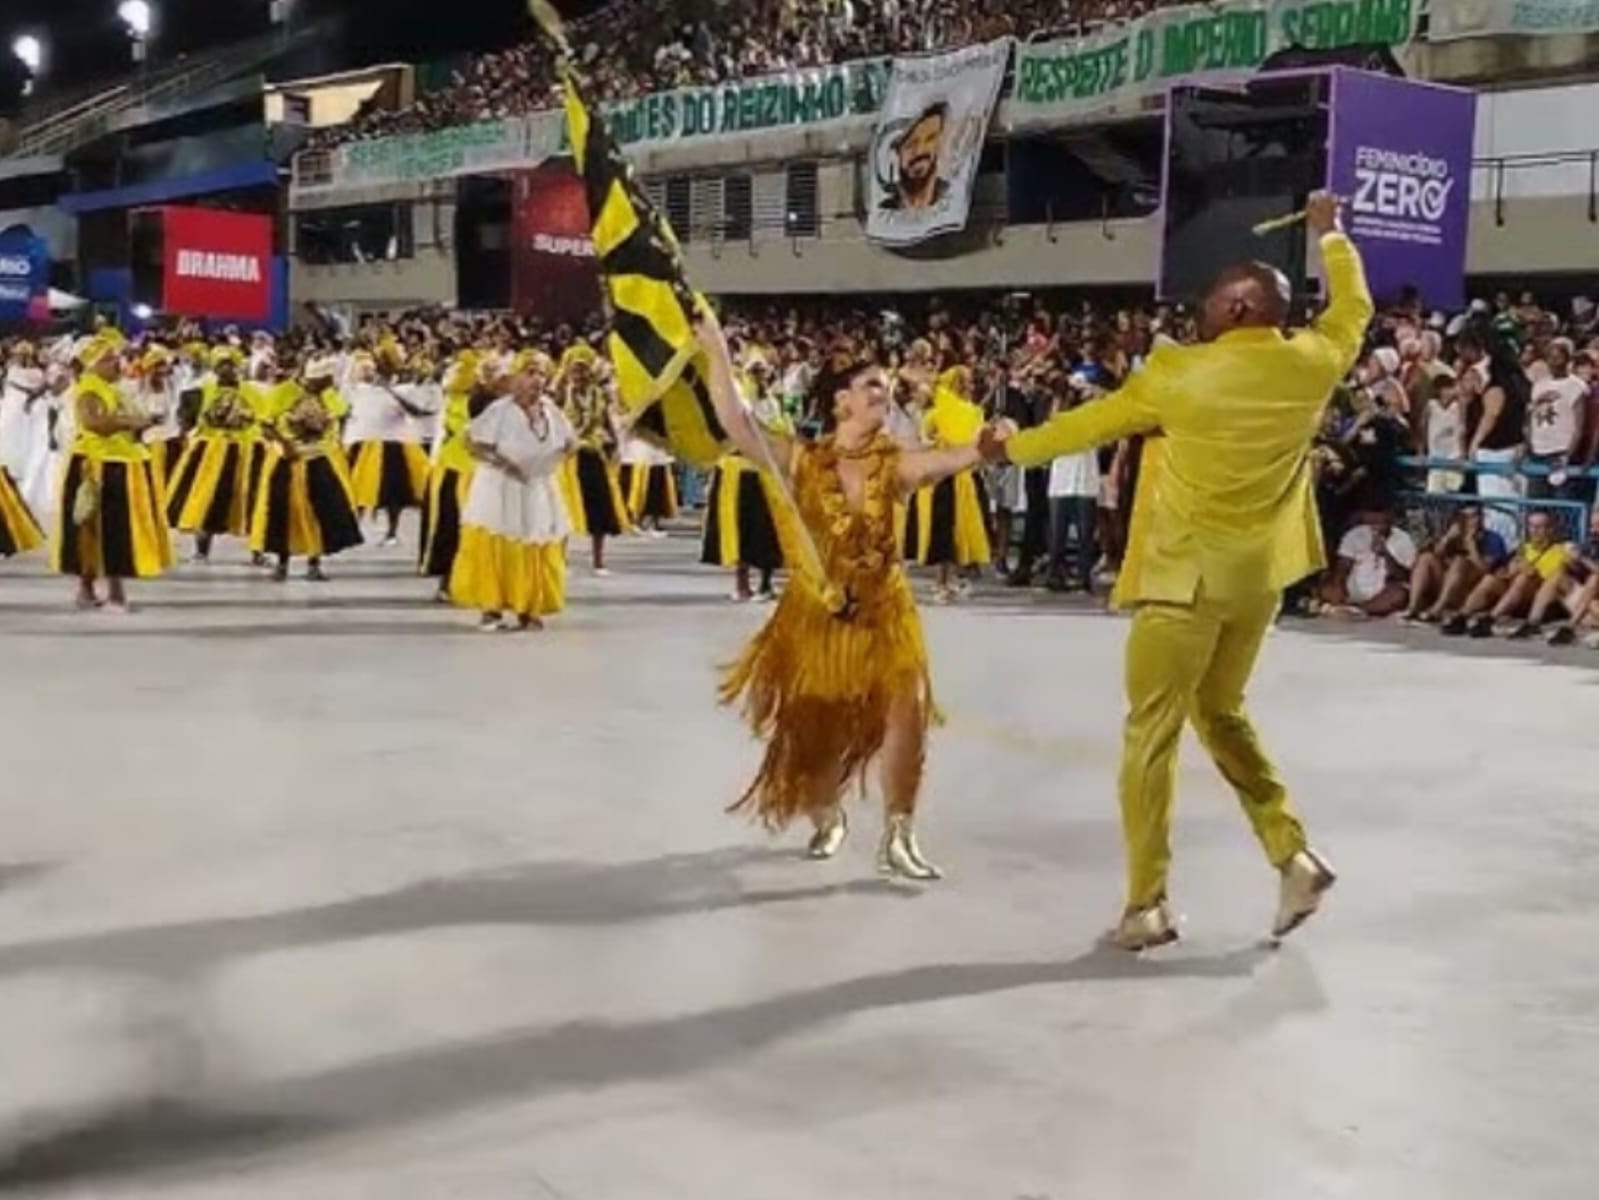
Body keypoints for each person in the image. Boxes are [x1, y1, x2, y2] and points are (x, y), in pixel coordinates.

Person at [999, 190, 1369, 949]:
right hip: (1258, 582)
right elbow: (1352, 308)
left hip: (1182, 585)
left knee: (1150, 736)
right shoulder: (1312, 362)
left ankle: (1146, 904)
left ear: (1237, 309)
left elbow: (1082, 425)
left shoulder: (1180, 375)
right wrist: (1332, 236)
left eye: (1205, 306)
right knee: (1221, 712)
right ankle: (1288, 850)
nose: (1194, 317)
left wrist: (1002, 448)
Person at [696, 312, 1006, 882]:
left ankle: (899, 832)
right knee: (818, 732)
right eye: (869, 386)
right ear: (839, 400)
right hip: (815, 615)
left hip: (886, 612)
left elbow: (947, 459)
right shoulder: (802, 459)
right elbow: (736, 421)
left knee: (905, 710)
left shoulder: (897, 465)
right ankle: (826, 813)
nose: (881, 394)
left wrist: (984, 449)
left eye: (886, 390)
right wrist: (717, 348)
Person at [449, 355, 576, 631]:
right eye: (530, 372)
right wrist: (506, 465)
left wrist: (553, 459)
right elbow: (473, 443)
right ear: (515, 378)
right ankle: (491, 608)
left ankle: (529, 607)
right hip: (501, 487)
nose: (537, 380)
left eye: (542, 374)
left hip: (537, 485)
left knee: (536, 540)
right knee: (498, 540)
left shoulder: (551, 410)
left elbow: (569, 441)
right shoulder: (499, 410)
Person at [52, 336, 174, 610]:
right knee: (110, 529)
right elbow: (93, 422)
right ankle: (113, 594)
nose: (115, 363)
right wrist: (133, 421)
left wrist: (140, 426)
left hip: (118, 461)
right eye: (107, 359)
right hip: (99, 465)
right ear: (92, 365)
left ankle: (88, 590)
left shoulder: (113, 388)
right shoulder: (88, 388)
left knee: (99, 529)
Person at [250, 357, 363, 582]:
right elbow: (265, 424)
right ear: (317, 379)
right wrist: (286, 444)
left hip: (318, 459)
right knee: (284, 513)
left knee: (319, 512)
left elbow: (340, 414)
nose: (330, 384)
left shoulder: (328, 395)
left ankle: (314, 564)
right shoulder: (284, 392)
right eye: (327, 380)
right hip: (287, 461)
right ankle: (282, 564)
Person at [164, 347, 261, 563]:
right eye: (221, 364)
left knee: (250, 500)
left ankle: (257, 551)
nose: (226, 369)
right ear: (214, 368)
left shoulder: (252, 392)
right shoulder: (201, 391)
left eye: (230, 364)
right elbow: (186, 418)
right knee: (207, 499)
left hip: (244, 450)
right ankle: (202, 550)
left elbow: (262, 418)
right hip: (210, 452)